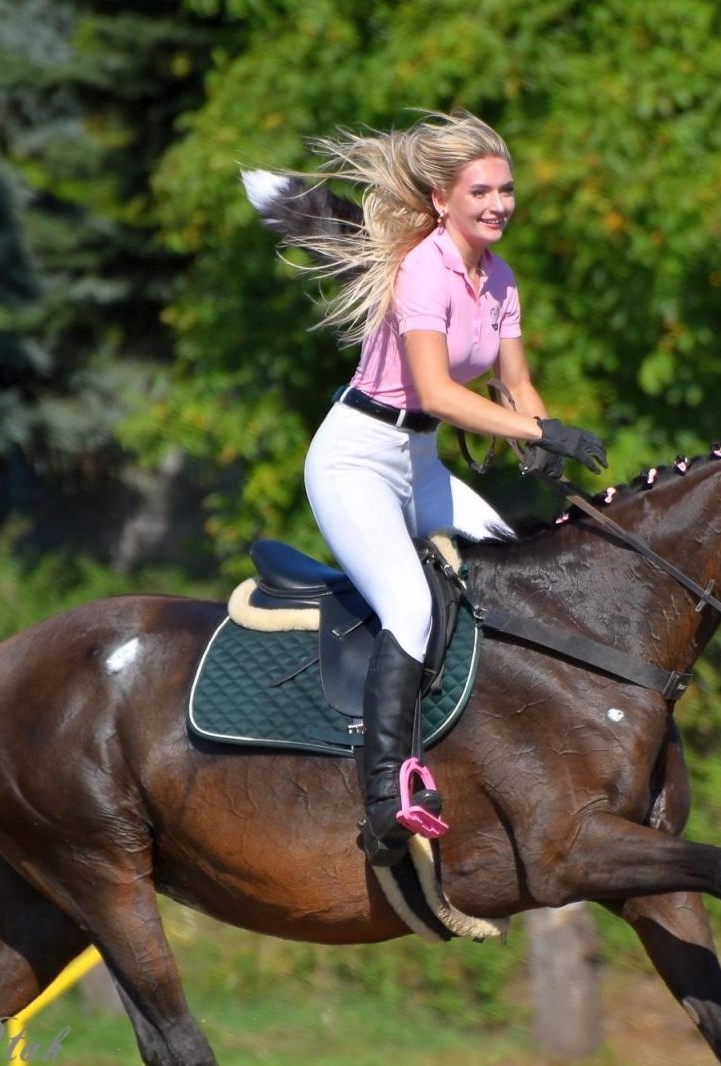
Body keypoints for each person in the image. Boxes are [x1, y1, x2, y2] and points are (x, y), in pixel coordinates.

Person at [244, 111, 608, 866]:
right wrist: (539, 433)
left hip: (418, 463)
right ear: (443, 200)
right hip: (355, 461)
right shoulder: (424, 269)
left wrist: (543, 441)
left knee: (513, 568)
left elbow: (518, 385)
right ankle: (387, 795)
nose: (499, 205)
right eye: (482, 192)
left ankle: (492, 749)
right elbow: (439, 392)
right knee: (409, 607)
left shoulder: (499, 278)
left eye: (507, 190)